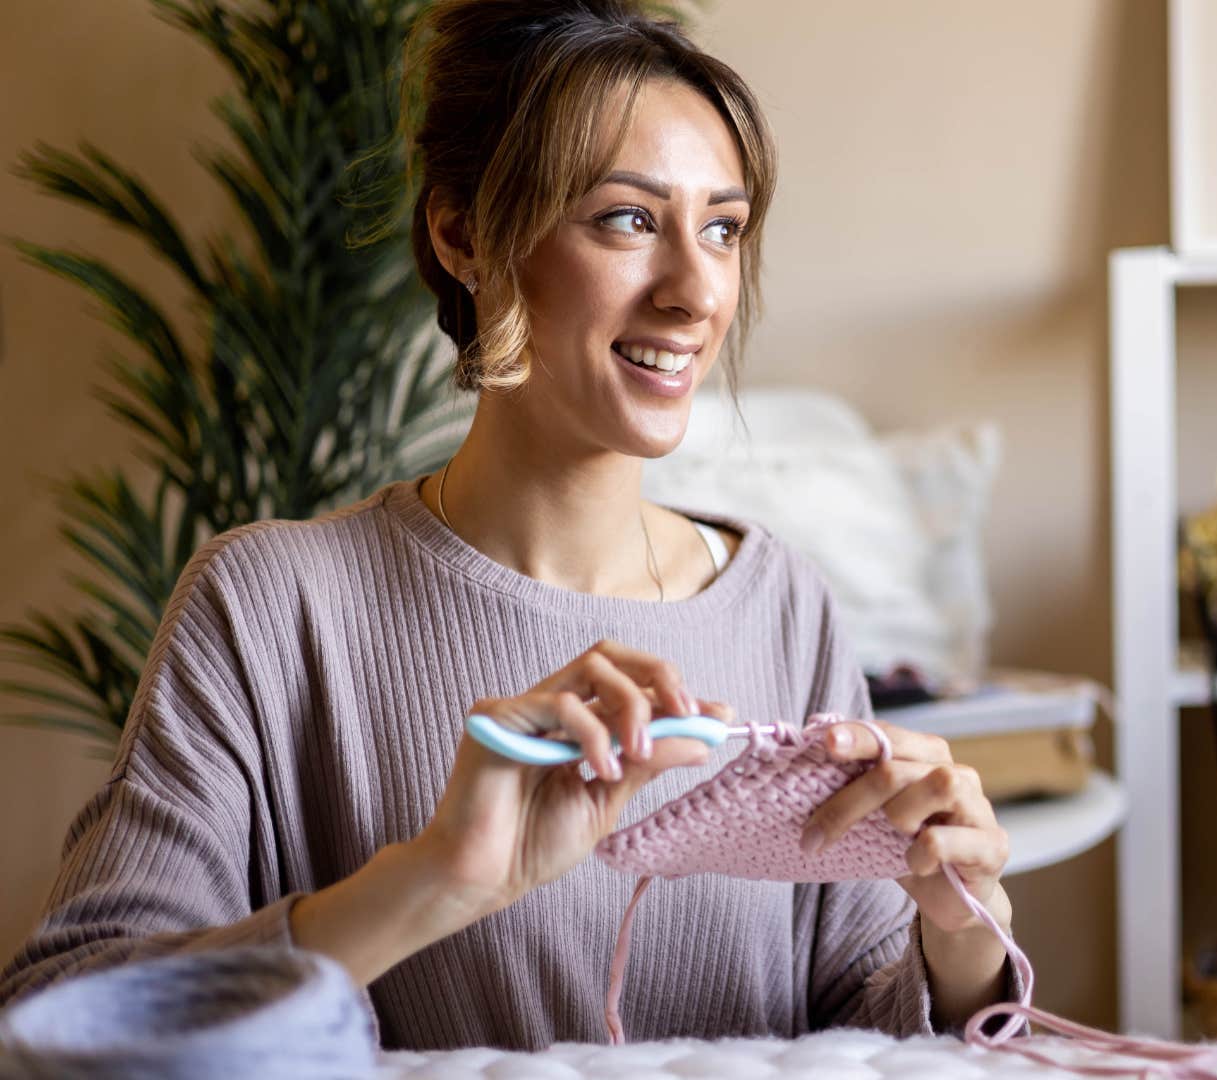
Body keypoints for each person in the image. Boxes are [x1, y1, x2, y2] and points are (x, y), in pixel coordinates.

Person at [0, 0, 1016, 1050]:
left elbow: (862, 1028)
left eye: (723, 227)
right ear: (464, 234)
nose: (695, 290)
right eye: (628, 218)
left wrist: (961, 935)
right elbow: (53, 1022)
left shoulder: (783, 605)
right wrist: (434, 881)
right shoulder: (269, 609)